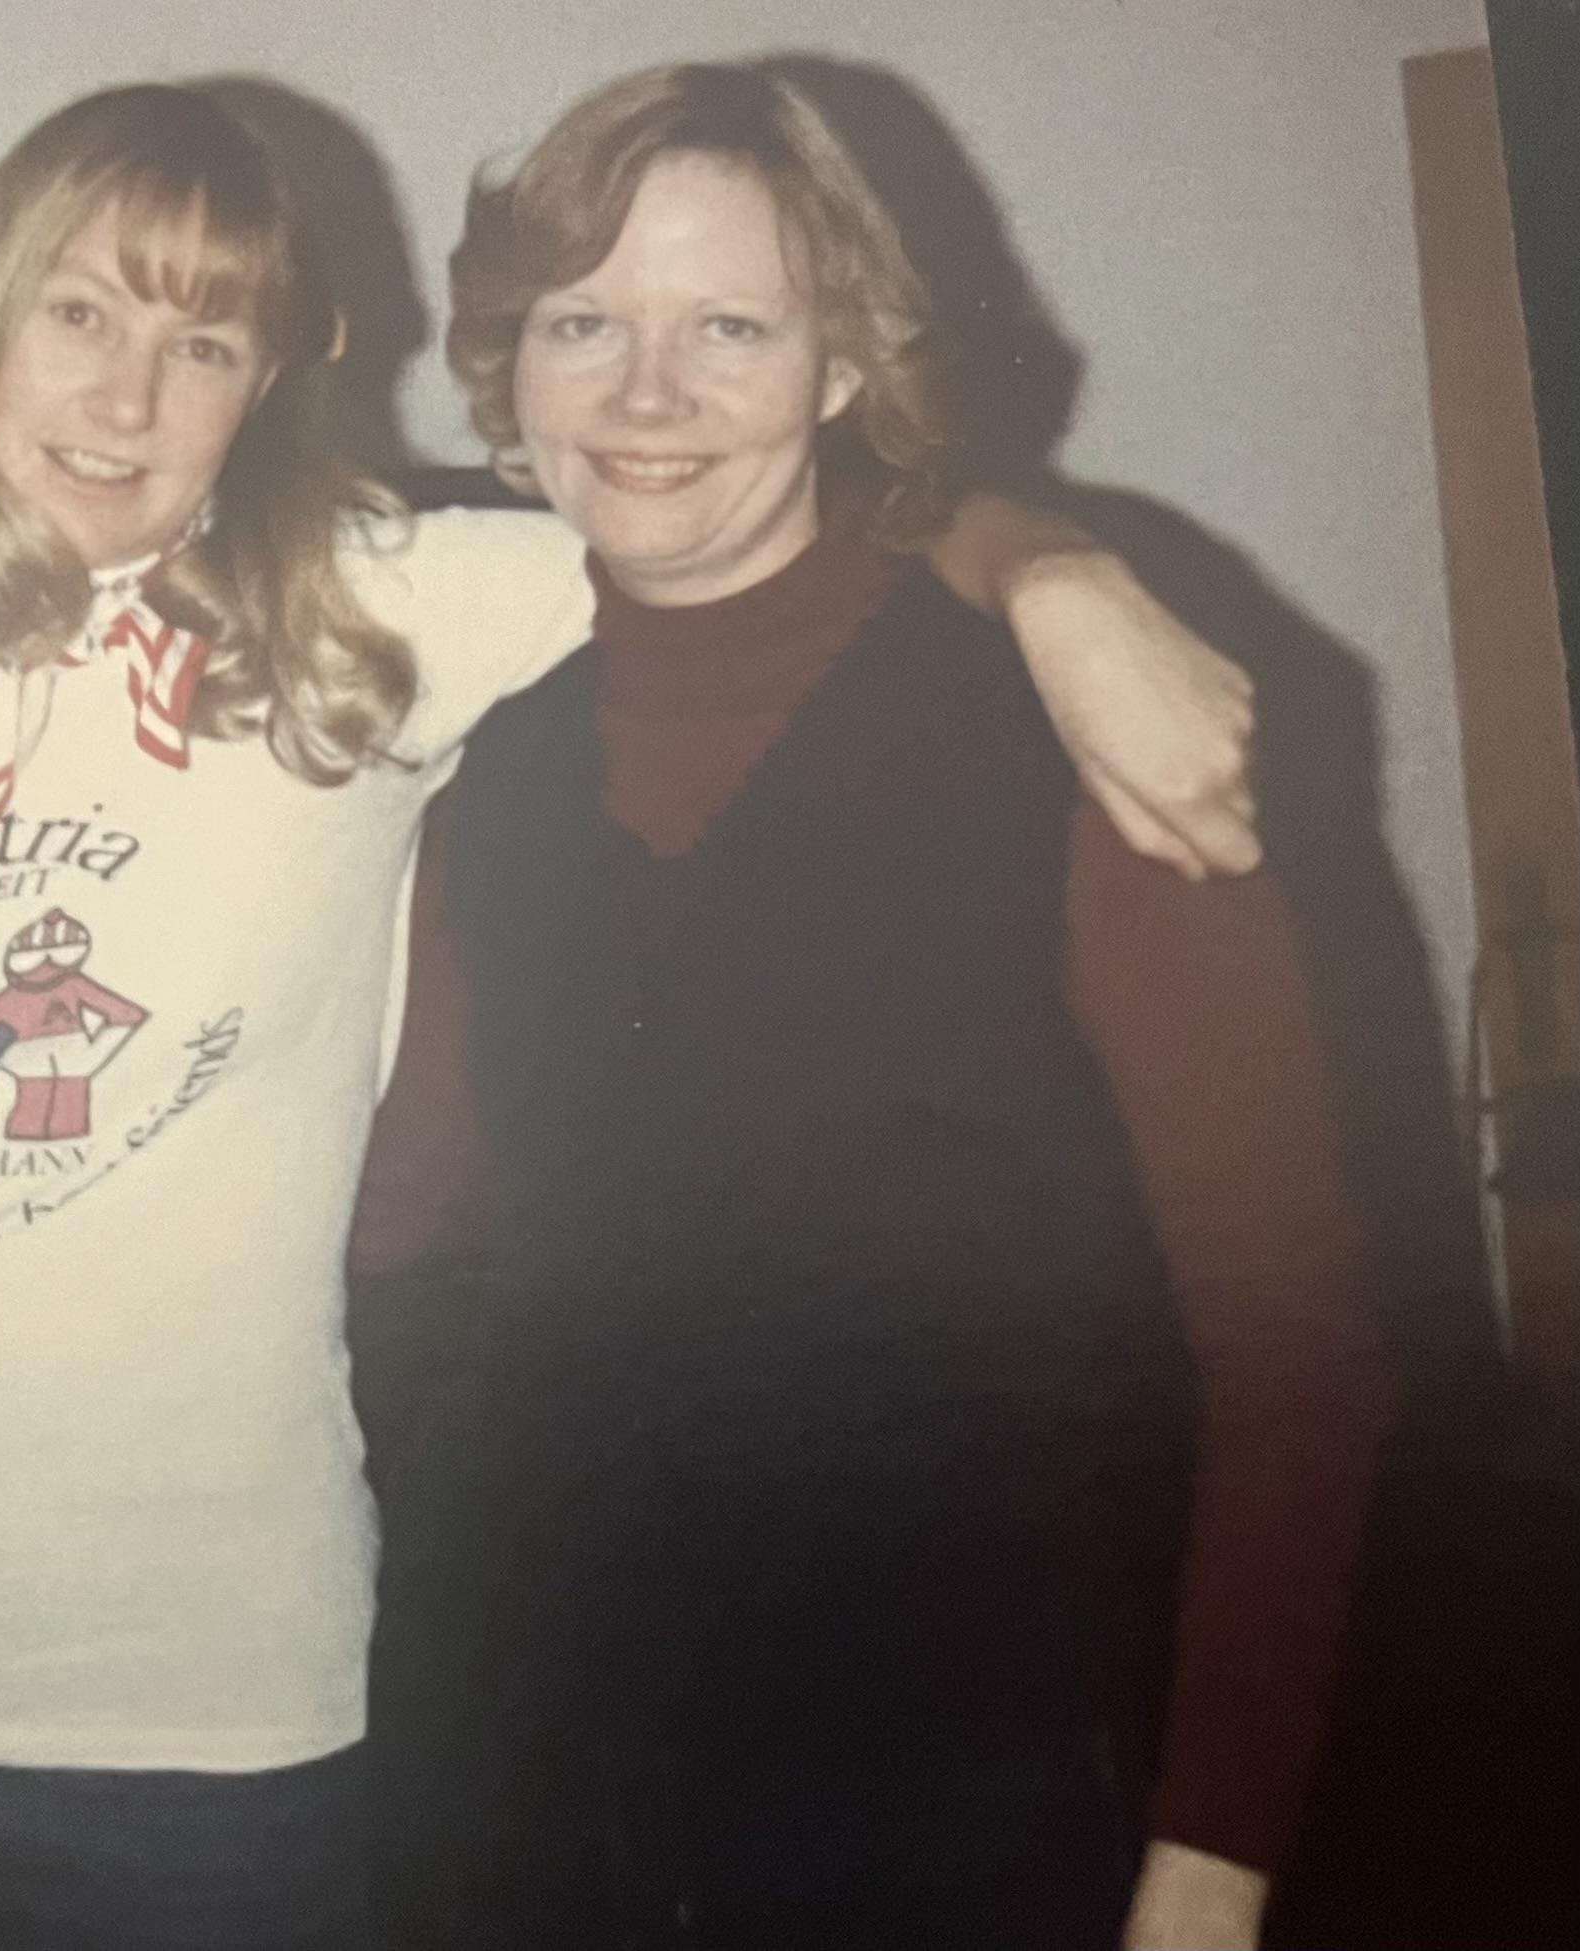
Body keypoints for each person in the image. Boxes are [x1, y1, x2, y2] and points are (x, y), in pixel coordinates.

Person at [0, 81, 1259, 1950]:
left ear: (267, 383)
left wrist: (1058, 575)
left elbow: (773, 508)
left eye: (200, 342)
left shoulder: (366, 618)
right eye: (78, 314)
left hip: (198, 1744)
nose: (123, 399)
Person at [352, 62, 1386, 1951]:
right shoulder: (473, 736)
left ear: (842, 366)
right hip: (505, 1758)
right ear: (512, 365)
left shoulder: (1078, 725)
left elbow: (1299, 1342)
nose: (645, 395)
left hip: (956, 1774)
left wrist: (1213, 1857)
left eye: (729, 327)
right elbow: (396, 1220)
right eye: (585, 323)